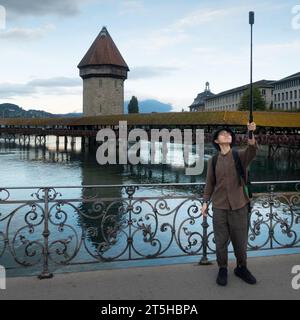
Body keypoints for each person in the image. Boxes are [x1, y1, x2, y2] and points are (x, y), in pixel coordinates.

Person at [202, 122, 258, 286]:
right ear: (217, 141)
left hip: (239, 206)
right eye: (223, 134)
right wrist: (205, 202)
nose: (227, 135)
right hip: (219, 207)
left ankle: (241, 268)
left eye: (229, 133)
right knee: (220, 242)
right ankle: (223, 269)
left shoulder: (239, 156)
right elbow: (209, 184)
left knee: (240, 242)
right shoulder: (212, 161)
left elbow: (252, 150)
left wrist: (251, 133)